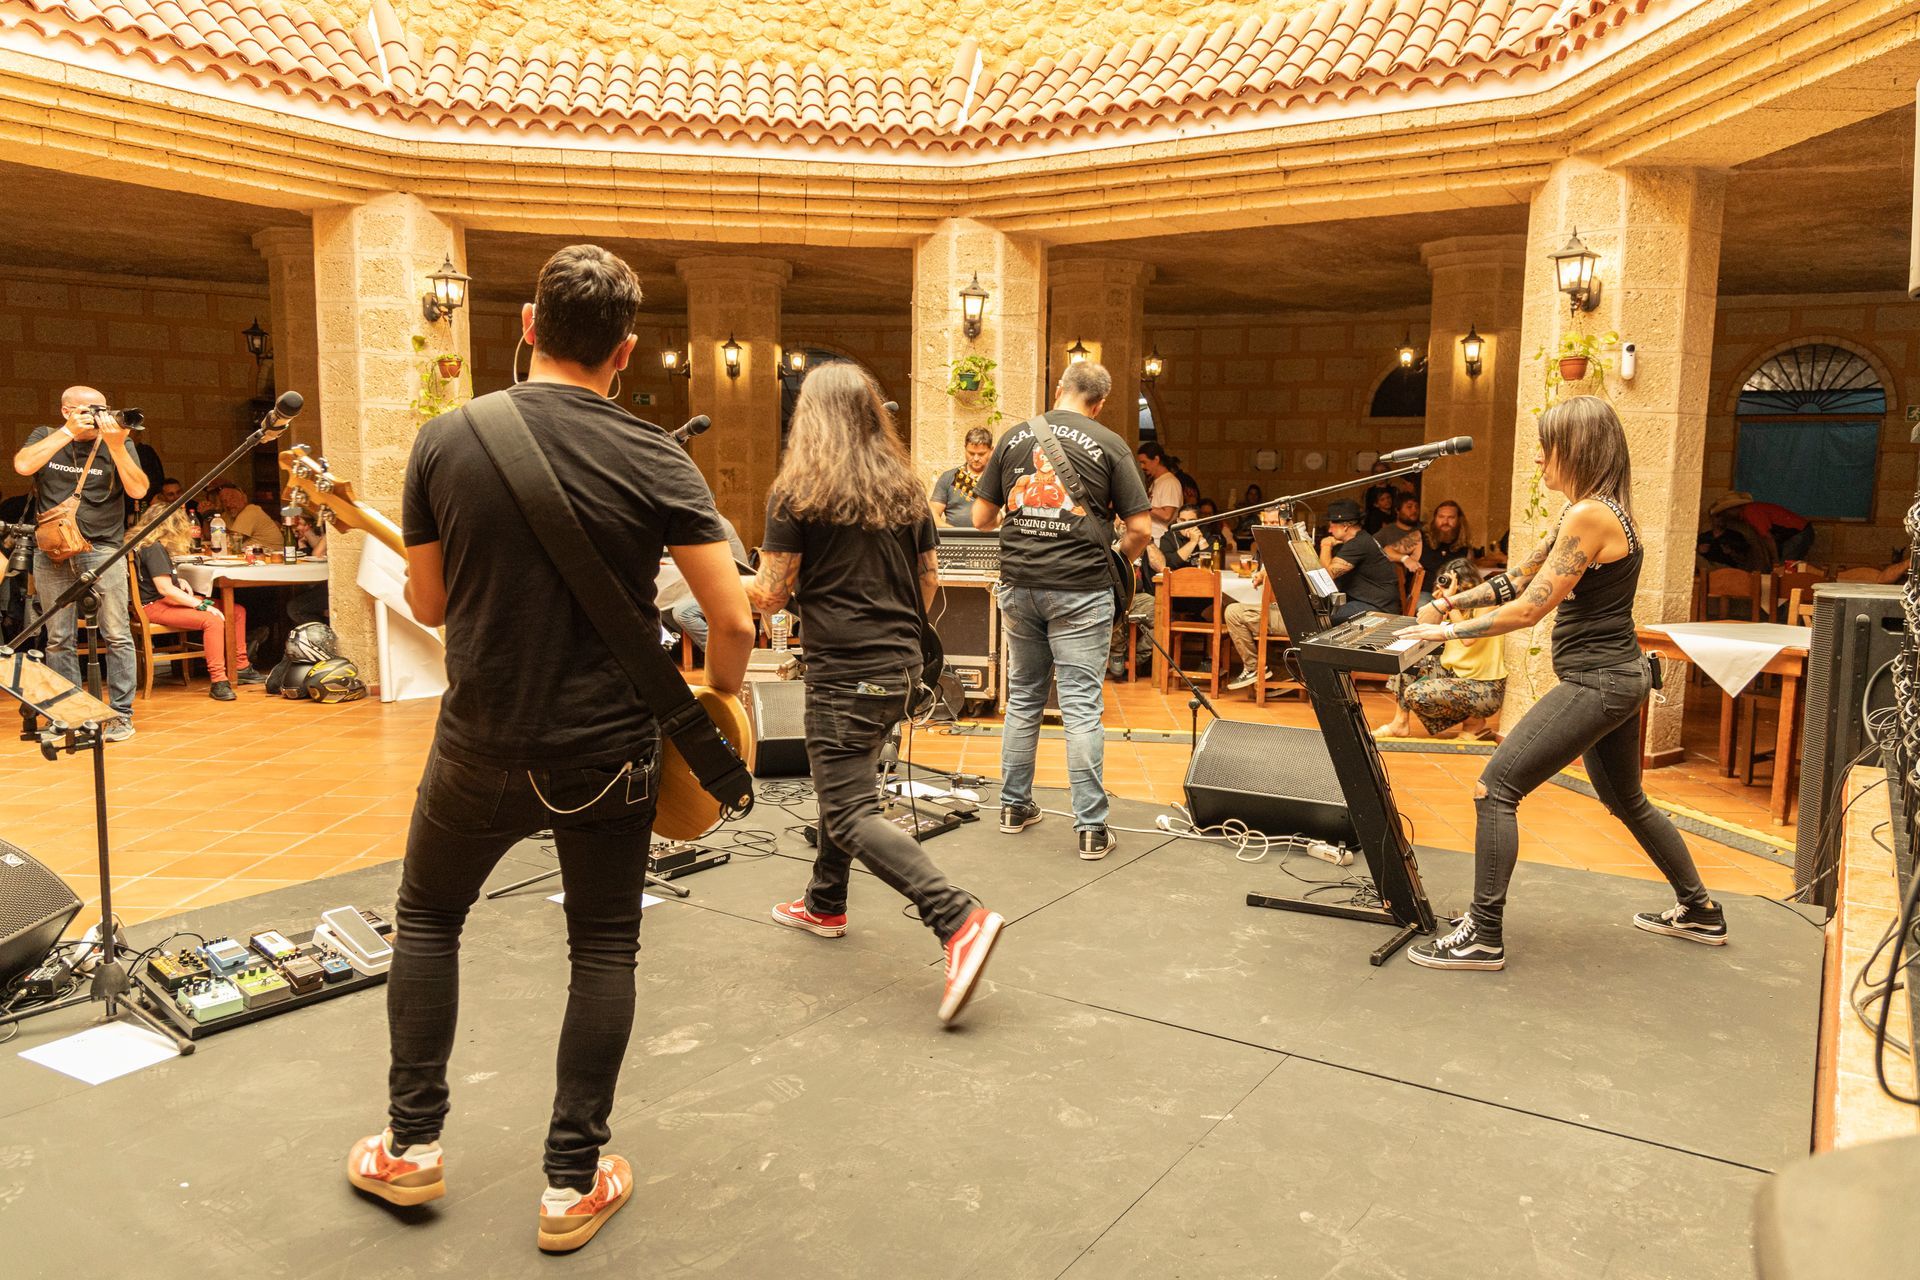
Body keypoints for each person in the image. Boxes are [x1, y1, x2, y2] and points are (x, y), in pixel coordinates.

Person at [345, 245, 754, 1255]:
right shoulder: (659, 456)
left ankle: (410, 1146)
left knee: (430, 918)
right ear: (624, 351)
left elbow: (430, 604)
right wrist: (723, 700)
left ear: (527, 326)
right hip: (606, 755)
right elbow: (733, 618)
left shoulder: (446, 440)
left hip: (479, 743)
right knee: (602, 947)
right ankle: (572, 1184)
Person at [1399, 395, 1724, 972]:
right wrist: (1447, 602)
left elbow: (1527, 610)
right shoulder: (1595, 511)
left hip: (1599, 681)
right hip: (1617, 678)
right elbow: (1515, 580)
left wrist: (1442, 634)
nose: (1539, 463)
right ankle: (1700, 911)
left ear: (1574, 450)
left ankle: (1483, 935)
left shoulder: (1590, 516)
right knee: (1627, 800)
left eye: (1546, 450)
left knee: (1495, 788)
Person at [749, 362, 1005, 1022]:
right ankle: (824, 901)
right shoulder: (907, 490)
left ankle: (957, 917)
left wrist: (718, 572)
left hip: (842, 670)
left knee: (847, 809)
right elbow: (928, 581)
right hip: (899, 666)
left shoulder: (797, 491)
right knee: (852, 787)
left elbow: (771, 593)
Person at [973, 360, 1151, 860]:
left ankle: (1012, 808)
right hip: (1080, 591)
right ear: (1099, 404)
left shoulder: (1011, 439)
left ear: (1059, 391)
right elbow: (1138, 529)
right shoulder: (1112, 444)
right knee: (1080, 708)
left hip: (1020, 586)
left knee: (1024, 697)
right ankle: (1091, 829)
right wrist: (1119, 560)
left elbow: (982, 518)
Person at [11, 385, 149, 741]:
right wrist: (69, 432)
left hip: (103, 548)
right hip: (52, 550)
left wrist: (117, 446)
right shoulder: (46, 435)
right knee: (58, 638)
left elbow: (138, 490)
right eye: (88, 410)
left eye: (102, 409)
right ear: (66, 410)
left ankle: (120, 715)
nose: (97, 416)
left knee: (117, 633)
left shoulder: (117, 443)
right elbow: (23, 465)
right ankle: (71, 715)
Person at [132, 509, 262, 699]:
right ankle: (219, 681)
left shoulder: (149, 544)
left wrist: (179, 582)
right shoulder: (153, 548)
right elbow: (164, 589)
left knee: (236, 611)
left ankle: (241, 666)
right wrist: (200, 605)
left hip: (164, 601)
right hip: (155, 606)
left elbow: (162, 582)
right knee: (213, 620)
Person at [1373, 560, 1504, 739]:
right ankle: (1399, 724)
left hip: (1485, 688)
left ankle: (1475, 722)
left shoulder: (1487, 605)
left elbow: (1468, 638)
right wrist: (1439, 605)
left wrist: (1450, 603)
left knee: (1415, 694)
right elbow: (1426, 631)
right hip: (1457, 674)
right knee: (1408, 661)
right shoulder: (1452, 606)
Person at [1223, 508, 1290, 691]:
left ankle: (1255, 668)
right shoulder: (1267, 545)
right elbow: (1264, 570)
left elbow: (1280, 565)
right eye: (1266, 523)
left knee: (1232, 612)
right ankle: (1268, 668)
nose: (1268, 527)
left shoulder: (1290, 544)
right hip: (1274, 610)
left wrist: (1263, 573)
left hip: (1288, 617)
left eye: (1274, 523)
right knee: (1229, 605)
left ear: (1286, 524)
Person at [666, 513, 746, 650]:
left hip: (733, 589)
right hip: (717, 586)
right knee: (664, 608)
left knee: (683, 612)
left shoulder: (712, 523)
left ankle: (726, 652)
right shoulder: (701, 522)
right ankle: (690, 651)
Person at [1319, 498, 1399, 622]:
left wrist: (1325, 545)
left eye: (1331, 525)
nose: (1329, 530)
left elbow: (1326, 578)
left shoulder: (1357, 544)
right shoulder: (1362, 538)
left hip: (1378, 608)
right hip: (1379, 604)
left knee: (1324, 618)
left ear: (1345, 526)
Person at [1711, 492, 1814, 562]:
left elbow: (1767, 537)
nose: (1725, 516)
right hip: (1797, 533)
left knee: (1784, 568)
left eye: (1724, 512)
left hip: (1799, 533)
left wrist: (1775, 560)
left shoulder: (1751, 512)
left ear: (1732, 509)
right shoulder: (1750, 512)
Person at [928, 427, 994, 528]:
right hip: (955, 540)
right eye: (971, 453)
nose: (976, 458)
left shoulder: (999, 478)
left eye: (981, 454)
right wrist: (952, 532)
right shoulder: (948, 477)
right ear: (965, 449)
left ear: (991, 451)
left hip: (991, 540)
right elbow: (932, 513)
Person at [1696, 506, 1774, 572]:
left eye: (1724, 516)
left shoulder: (1735, 536)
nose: (1721, 519)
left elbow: (1746, 560)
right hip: (1707, 570)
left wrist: (1732, 553)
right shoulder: (1704, 536)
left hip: (1729, 571)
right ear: (1711, 519)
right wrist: (1700, 551)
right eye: (1718, 516)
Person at [287, 510, 331, 626]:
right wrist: (304, 539)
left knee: (294, 608)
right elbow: (318, 545)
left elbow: (317, 553)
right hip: (324, 583)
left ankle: (322, 638)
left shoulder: (333, 529)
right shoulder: (324, 531)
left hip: (335, 586)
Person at [1418, 500, 1472, 583]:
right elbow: (1390, 550)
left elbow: (1468, 576)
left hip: (1454, 593)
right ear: (1434, 518)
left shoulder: (1465, 547)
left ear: (1459, 520)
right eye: (1441, 517)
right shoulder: (1420, 537)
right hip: (1426, 592)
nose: (1445, 522)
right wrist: (1405, 559)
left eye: (1451, 518)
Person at [1136, 442, 1182, 540]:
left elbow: (1166, 515)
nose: (1142, 467)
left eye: (1144, 462)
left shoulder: (1170, 482)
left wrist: (1142, 504)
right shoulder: (1156, 482)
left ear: (1156, 459)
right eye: (1140, 463)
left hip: (1161, 540)